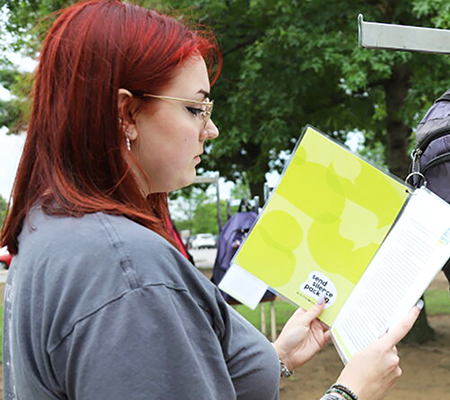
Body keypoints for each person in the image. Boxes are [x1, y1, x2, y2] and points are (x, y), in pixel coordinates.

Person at [0, 1, 421, 399]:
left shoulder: (51, 230)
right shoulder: (127, 271)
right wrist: (350, 391)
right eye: (194, 109)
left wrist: (275, 359)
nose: (211, 129)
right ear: (126, 114)